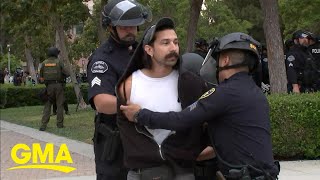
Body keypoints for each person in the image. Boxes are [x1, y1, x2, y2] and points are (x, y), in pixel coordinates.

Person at [120, 32, 280, 180]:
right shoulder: (256, 94)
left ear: (225, 60)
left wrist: (140, 115)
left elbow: (181, 120)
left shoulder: (224, 94)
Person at [116, 17, 214, 180]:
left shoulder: (191, 83)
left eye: (175, 42)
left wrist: (205, 150)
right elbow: (124, 130)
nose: (173, 48)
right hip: (142, 173)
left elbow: (208, 121)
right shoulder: (128, 85)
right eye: (165, 43)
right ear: (149, 49)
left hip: (183, 173)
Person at [86, 0, 151, 179]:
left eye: (133, 26)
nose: (130, 30)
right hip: (115, 142)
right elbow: (102, 102)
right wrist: (142, 107)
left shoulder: (143, 52)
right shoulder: (103, 59)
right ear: (111, 27)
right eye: (124, 26)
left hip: (143, 140)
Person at [39, 47, 69, 131]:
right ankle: (59, 124)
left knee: (47, 105)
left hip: (48, 87)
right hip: (59, 86)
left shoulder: (44, 63)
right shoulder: (59, 62)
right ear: (56, 54)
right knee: (60, 105)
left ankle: (43, 125)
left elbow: (40, 78)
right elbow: (67, 73)